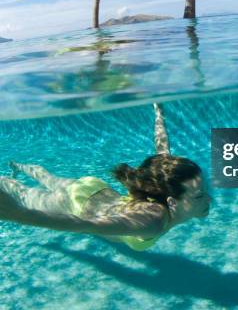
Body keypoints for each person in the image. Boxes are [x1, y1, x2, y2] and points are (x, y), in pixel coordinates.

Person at [0, 105, 211, 251]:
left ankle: (17, 167)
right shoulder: (152, 220)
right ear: (172, 202)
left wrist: (159, 114)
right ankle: (7, 178)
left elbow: (162, 151)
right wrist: (17, 214)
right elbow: (84, 224)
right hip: (76, 203)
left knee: (48, 178)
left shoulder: (161, 184)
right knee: (25, 195)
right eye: (200, 195)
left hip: (93, 188)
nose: (209, 200)